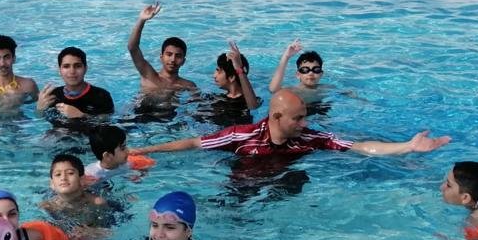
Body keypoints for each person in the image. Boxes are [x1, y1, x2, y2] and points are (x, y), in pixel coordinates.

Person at [133, 89, 451, 161]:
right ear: (276, 117)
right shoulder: (240, 135)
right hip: (246, 183)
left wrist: (408, 146)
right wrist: (143, 150)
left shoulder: (310, 138)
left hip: (286, 181)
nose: (305, 123)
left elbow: (359, 147)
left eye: (304, 116)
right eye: (298, 118)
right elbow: (193, 143)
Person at [127, 2, 198, 95]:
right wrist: (141, 20)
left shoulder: (188, 86)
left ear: (183, 61)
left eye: (178, 56)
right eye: (169, 54)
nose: (173, 59)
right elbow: (132, 47)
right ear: (161, 57)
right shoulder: (148, 75)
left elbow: (198, 102)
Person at [36, 47, 115, 122]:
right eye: (66, 66)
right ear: (59, 70)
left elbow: (107, 122)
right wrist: (39, 109)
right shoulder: (52, 96)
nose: (72, 71)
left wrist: (82, 115)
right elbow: (39, 120)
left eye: (77, 66)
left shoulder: (101, 96)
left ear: (85, 69)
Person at [40, 153, 110, 224]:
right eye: (58, 174)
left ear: (82, 179)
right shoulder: (48, 206)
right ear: (52, 184)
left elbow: (106, 227)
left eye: (70, 173)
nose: (63, 178)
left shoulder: (97, 203)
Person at [202, 42, 261, 125]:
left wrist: (239, 69)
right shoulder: (215, 99)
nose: (214, 75)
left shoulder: (250, 101)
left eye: (218, 71)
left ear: (231, 77)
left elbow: (253, 107)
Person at [85, 125, 156, 184]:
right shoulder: (92, 173)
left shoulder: (128, 162)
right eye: (122, 148)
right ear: (107, 156)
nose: (128, 151)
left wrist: (140, 176)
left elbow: (147, 166)